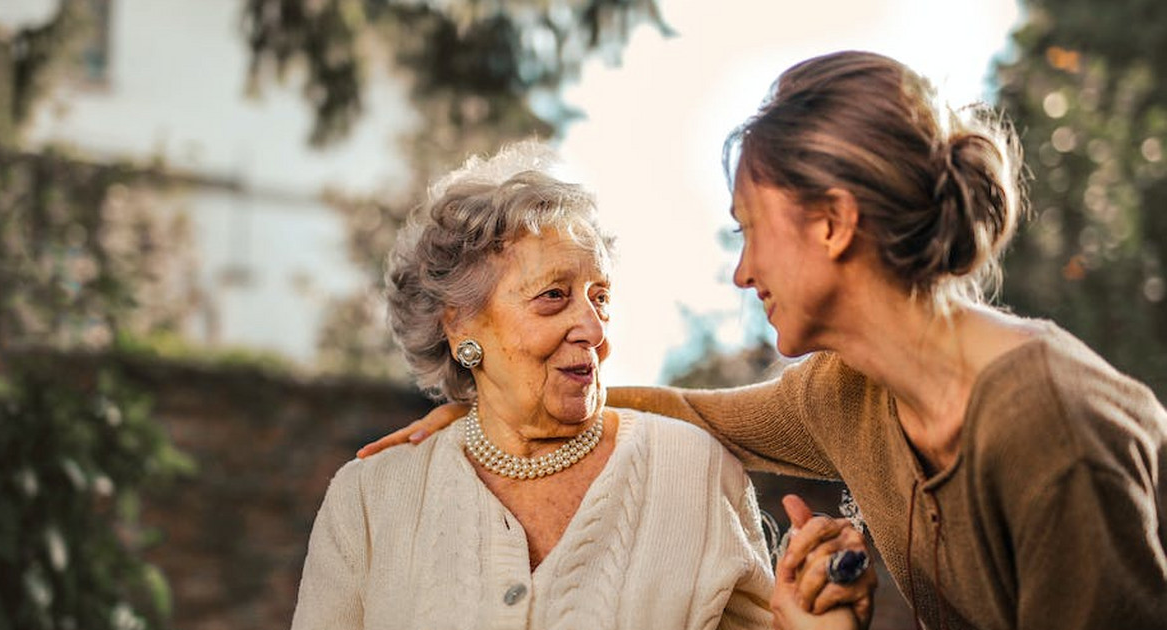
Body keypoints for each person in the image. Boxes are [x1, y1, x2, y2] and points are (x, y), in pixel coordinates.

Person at [359, 51, 1167, 630]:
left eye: (750, 231)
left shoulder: (1050, 428)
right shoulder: (847, 392)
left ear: (832, 222)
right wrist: (498, 412)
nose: (742, 273)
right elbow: (692, 414)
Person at [291, 142, 872, 629]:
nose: (594, 330)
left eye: (601, 298)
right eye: (553, 297)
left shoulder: (693, 470)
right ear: (461, 323)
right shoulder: (369, 500)